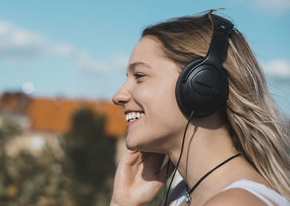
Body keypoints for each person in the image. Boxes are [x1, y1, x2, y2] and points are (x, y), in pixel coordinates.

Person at [110, 11, 290, 206]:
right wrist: (123, 203)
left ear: (201, 83)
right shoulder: (184, 195)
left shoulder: (234, 203)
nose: (118, 96)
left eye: (140, 75)